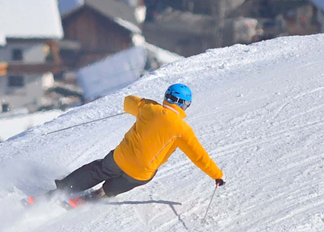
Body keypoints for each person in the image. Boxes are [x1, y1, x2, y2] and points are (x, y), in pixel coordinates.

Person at [54, 83, 223, 201]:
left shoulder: (149, 108)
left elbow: (128, 101)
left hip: (120, 158)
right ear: (185, 105)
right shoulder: (183, 130)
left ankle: (62, 189)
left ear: (167, 97)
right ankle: (102, 193)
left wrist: (142, 106)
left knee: (99, 169)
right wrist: (217, 175)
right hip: (140, 172)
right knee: (130, 179)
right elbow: (199, 157)